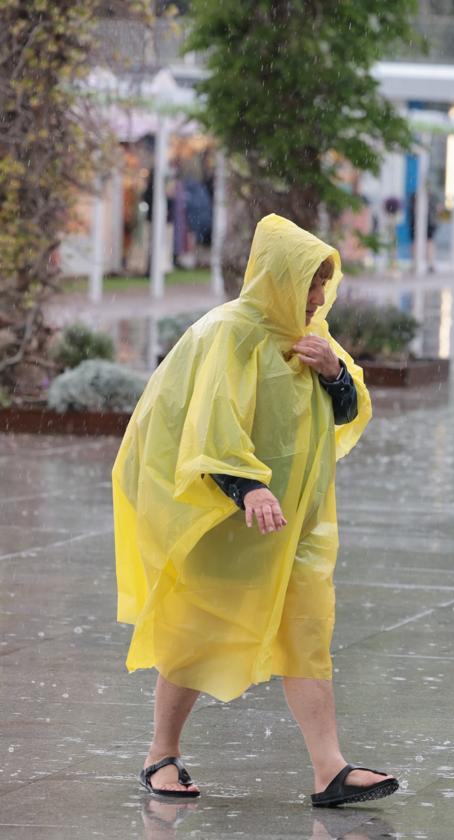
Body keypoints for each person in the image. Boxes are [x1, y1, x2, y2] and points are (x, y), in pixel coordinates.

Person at [113, 214, 398, 807]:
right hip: (225, 521)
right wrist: (248, 488)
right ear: (278, 278)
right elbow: (205, 424)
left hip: (296, 527)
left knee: (308, 632)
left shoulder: (313, 338)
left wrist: (335, 373)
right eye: (309, 284)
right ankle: (160, 754)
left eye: (324, 285)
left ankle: (330, 769)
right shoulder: (228, 334)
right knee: (196, 631)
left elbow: (347, 412)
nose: (319, 298)